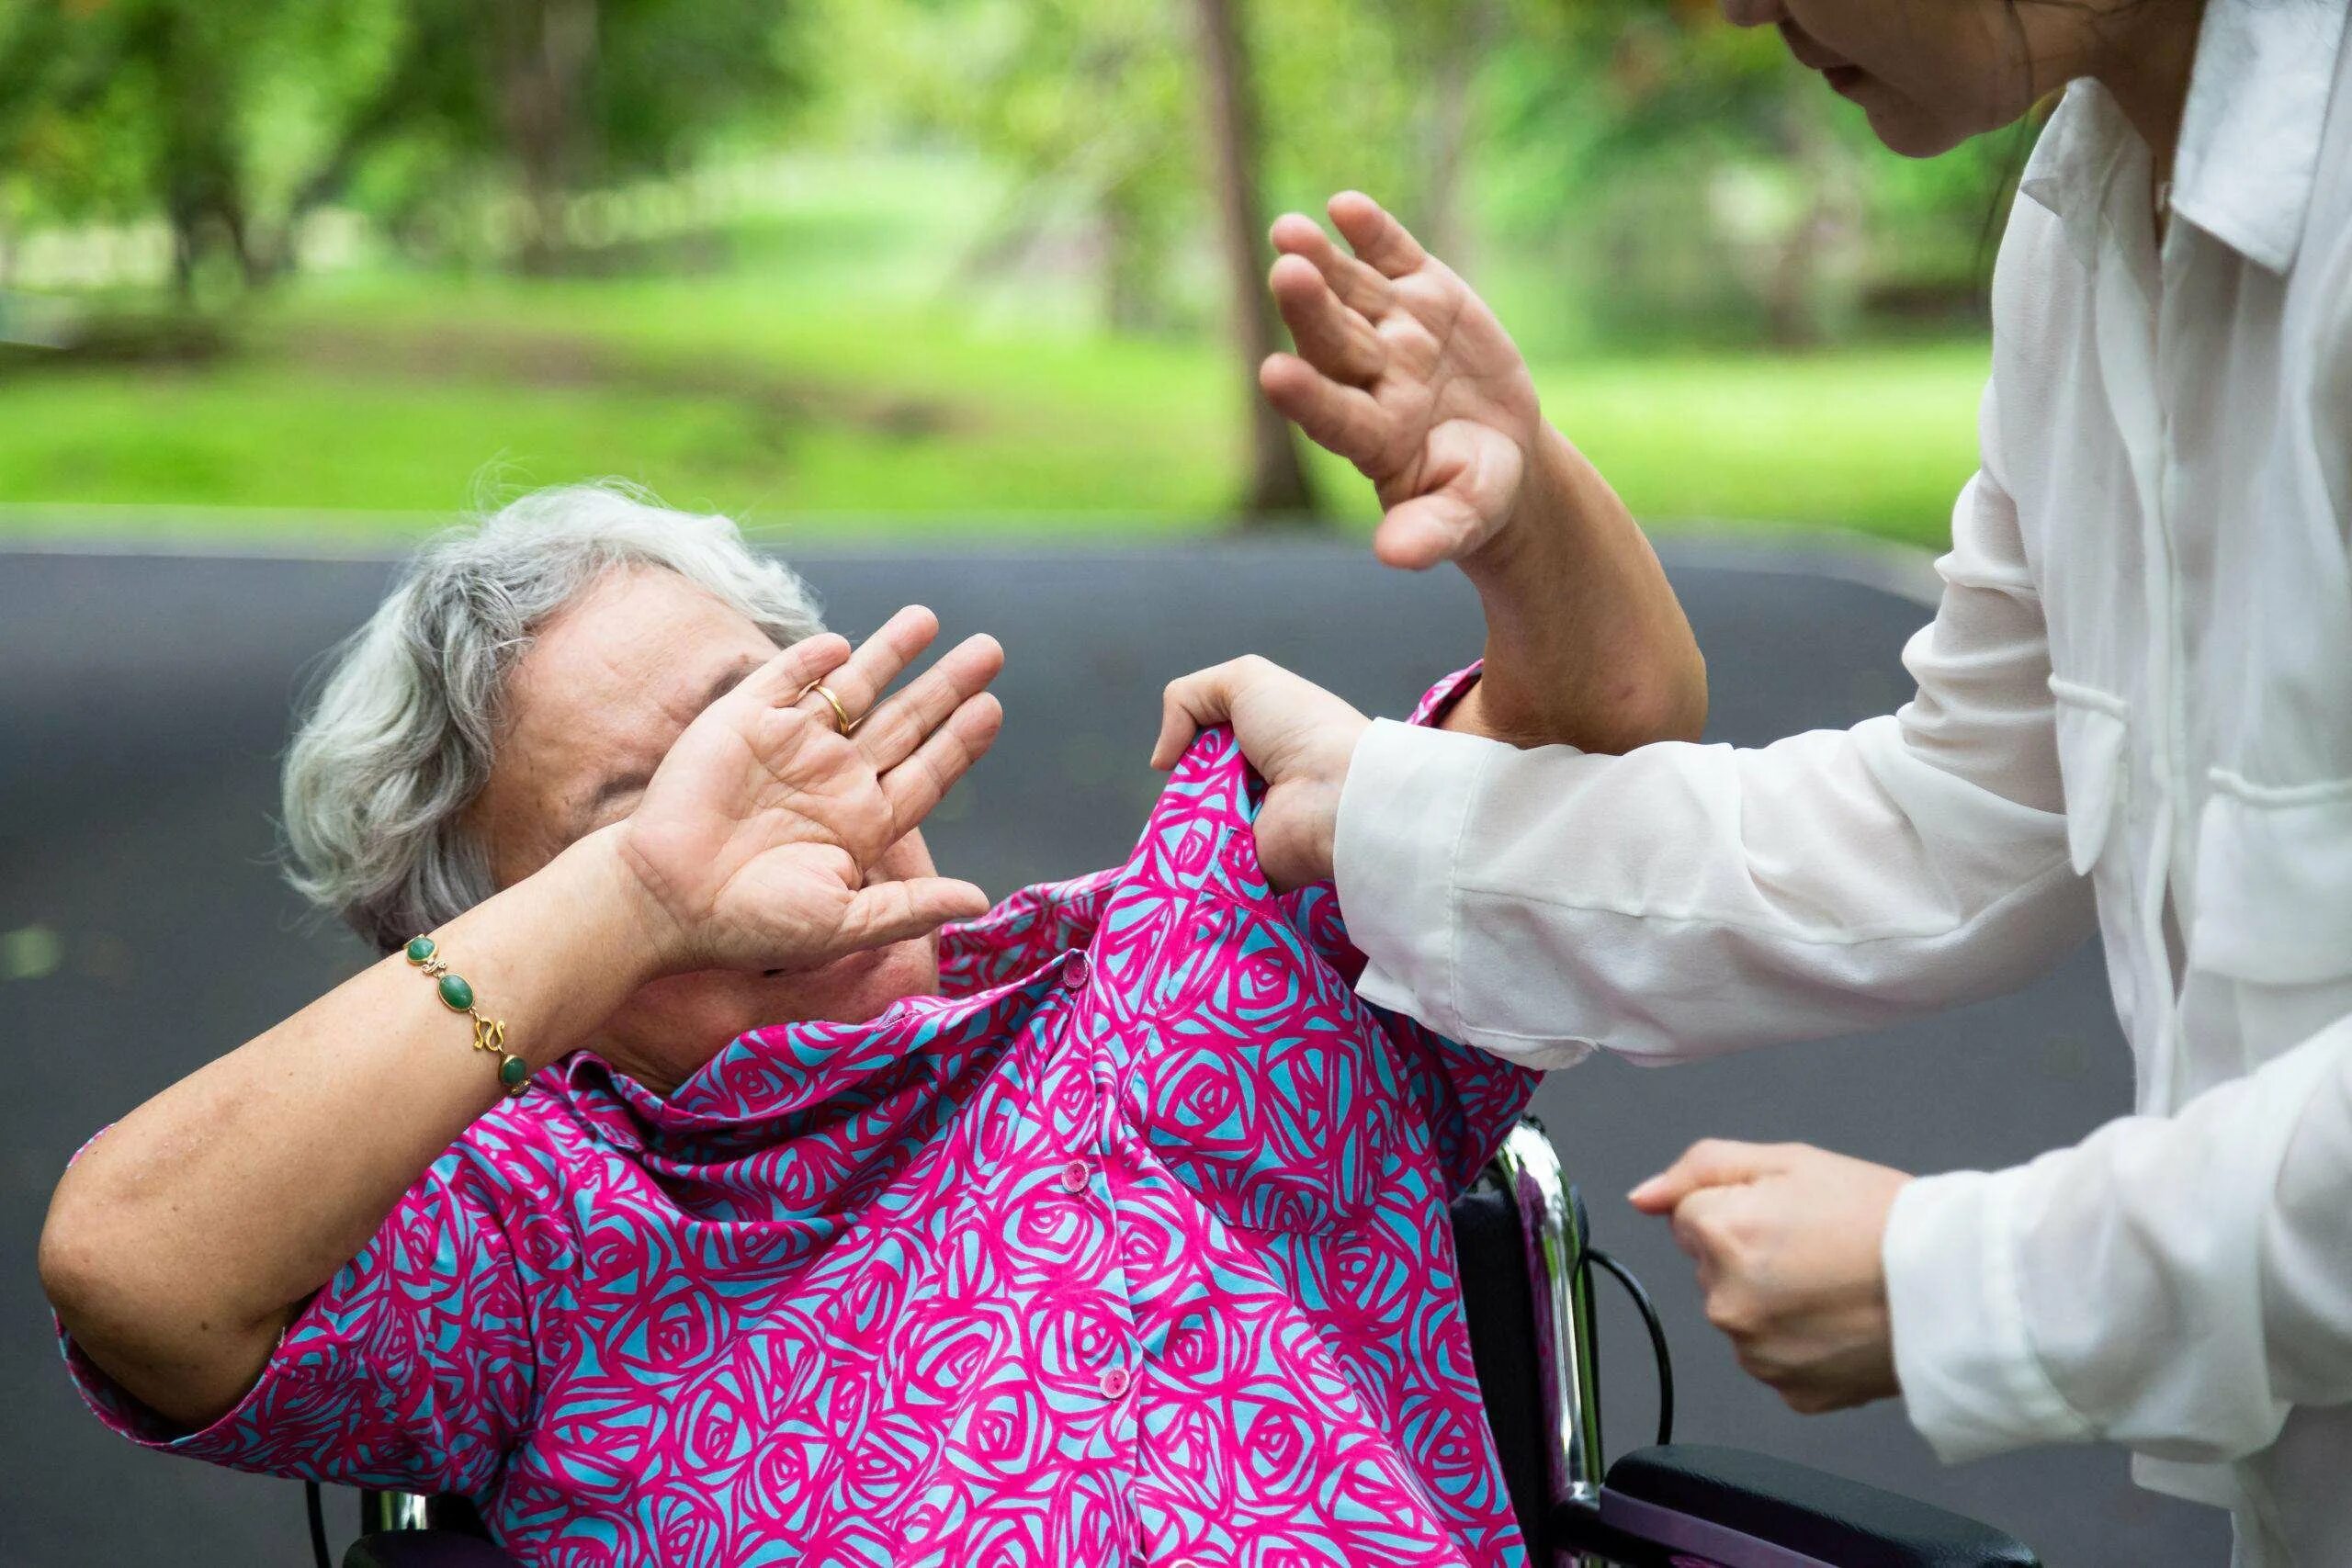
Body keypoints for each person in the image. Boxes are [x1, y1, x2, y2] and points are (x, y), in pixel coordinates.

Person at [1154, 1, 2352, 1562]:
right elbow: (1956, 829)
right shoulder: (2085, 227)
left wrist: (1960, 1280)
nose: (1727, 9)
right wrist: (1377, 806)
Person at [38, 484, 1703, 1565]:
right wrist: (643, 890)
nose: (766, 825)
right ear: (509, 950)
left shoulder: (1193, 940)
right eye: (638, 813)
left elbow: (1607, 755)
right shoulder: (535, 1223)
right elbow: (133, 1271)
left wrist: (1523, 499)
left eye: (764, 731)